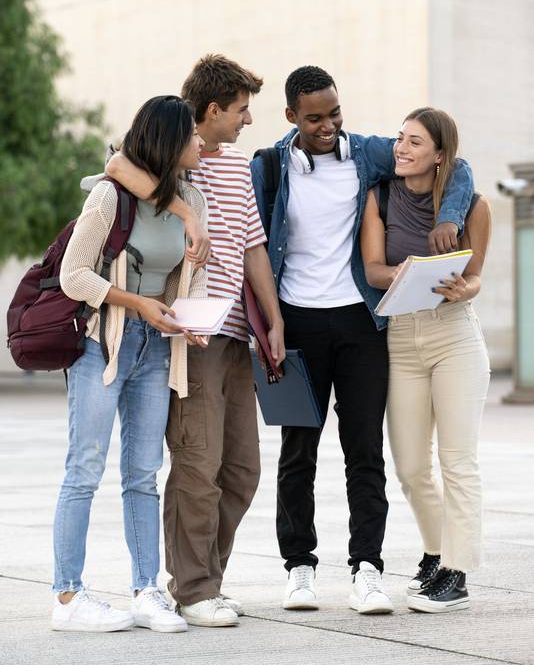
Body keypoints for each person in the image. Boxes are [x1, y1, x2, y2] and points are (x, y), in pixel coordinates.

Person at [250, 67, 474, 614]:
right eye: (314, 117)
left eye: (334, 113)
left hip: (359, 324)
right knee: (297, 452)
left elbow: (458, 165)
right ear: (291, 118)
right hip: (295, 323)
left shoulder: (368, 154)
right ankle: (299, 568)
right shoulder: (272, 166)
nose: (328, 126)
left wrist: (448, 217)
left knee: (364, 451)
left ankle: (367, 569)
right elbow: (251, 245)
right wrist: (263, 324)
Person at [106, 54, 285, 627]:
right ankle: (193, 587)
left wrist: (274, 319)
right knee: (197, 463)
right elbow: (115, 167)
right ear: (212, 110)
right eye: (240, 110)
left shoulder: (235, 167)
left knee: (242, 470)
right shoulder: (166, 158)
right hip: (189, 337)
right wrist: (184, 207)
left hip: (237, 337)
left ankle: (208, 577)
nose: (246, 122)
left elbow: (253, 244)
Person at [52, 95, 208, 633]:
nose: (201, 143)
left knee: (143, 475)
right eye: (192, 135)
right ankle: (68, 598)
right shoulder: (109, 197)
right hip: (103, 343)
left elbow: (185, 281)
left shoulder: (191, 198)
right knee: (84, 470)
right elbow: (75, 276)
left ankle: (146, 591)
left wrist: (190, 319)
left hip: (155, 347)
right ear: (168, 141)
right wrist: (138, 304)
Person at [361, 107, 491, 613]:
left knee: (458, 460)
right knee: (412, 466)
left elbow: (477, 276)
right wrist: (412, 273)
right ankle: (439, 552)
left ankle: (456, 573)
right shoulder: (380, 196)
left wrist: (463, 289)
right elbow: (373, 270)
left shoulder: (473, 206)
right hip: (401, 334)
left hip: (454, 335)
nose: (401, 149)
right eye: (400, 139)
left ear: (440, 156)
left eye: (415, 143)